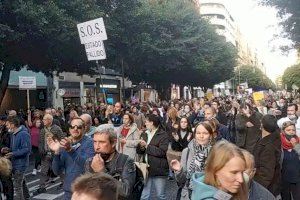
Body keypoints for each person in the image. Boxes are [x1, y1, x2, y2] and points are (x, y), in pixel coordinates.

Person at [84, 124, 136, 200]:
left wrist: (102, 173)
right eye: (95, 142)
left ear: (114, 143)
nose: (97, 147)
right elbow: (87, 189)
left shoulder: (126, 161)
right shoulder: (90, 162)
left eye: (102, 142)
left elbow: (126, 192)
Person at [47, 117, 94, 199]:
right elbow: (57, 171)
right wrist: (56, 152)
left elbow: (87, 165)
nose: (75, 129)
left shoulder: (90, 143)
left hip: (85, 192)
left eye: (79, 127)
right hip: (68, 192)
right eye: (72, 126)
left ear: (84, 129)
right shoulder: (65, 143)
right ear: (69, 129)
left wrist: (70, 150)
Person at [170, 121, 214, 200]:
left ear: (210, 135)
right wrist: (179, 170)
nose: (201, 136)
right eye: (198, 133)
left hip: (206, 196)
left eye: (205, 133)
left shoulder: (215, 153)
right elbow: (182, 181)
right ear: (194, 135)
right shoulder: (186, 151)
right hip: (187, 195)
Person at [138, 114, 169, 200]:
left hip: (159, 169)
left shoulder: (163, 135)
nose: (145, 123)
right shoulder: (144, 134)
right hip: (145, 168)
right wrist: (140, 146)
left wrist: (147, 146)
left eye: (147, 121)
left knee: (160, 195)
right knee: (144, 196)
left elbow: (162, 152)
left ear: (152, 123)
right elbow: (140, 152)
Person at [36, 113, 65, 194]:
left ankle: (65, 182)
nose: (43, 121)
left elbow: (62, 139)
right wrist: (41, 150)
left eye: (45, 119)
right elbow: (40, 142)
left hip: (55, 153)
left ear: (49, 120)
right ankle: (42, 187)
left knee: (58, 169)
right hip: (45, 154)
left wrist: (58, 150)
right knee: (43, 171)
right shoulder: (42, 130)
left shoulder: (57, 129)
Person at [253, 115, 281, 197]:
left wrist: (258, 191)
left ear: (262, 125)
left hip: (266, 189)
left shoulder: (268, 146)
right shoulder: (269, 139)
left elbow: (265, 174)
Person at [6, 116, 31, 200]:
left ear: (13, 125)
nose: (7, 126)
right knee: (21, 182)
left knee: (17, 187)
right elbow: (16, 148)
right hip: (16, 163)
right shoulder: (13, 134)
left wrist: (13, 153)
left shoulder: (23, 134)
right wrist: (9, 150)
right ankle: (27, 197)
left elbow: (26, 149)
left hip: (20, 164)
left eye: (8, 125)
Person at [280, 120, 300, 200]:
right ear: (283, 132)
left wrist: (295, 146)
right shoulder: (279, 143)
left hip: (297, 178)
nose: (291, 132)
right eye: (288, 130)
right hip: (283, 179)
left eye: (293, 130)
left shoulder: (298, 142)